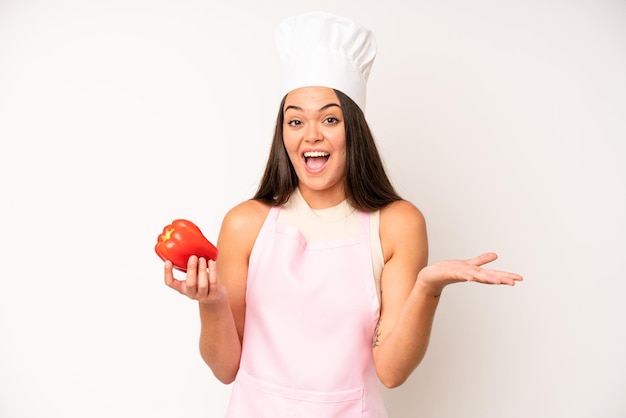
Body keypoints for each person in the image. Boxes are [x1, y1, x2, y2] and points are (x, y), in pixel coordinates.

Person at [163, 11, 523, 418]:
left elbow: (391, 371)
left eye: (329, 119)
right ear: (283, 134)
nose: (311, 134)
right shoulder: (245, 223)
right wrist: (211, 303)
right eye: (295, 120)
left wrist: (428, 288)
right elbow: (225, 368)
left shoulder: (397, 224)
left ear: (354, 128)